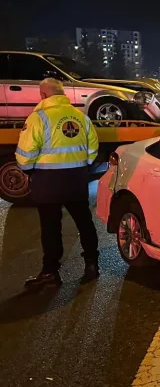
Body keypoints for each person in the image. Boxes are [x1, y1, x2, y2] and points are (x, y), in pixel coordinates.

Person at [16, 78, 100, 287]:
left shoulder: (39, 118)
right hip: (76, 179)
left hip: (48, 182)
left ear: (44, 95)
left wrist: (28, 170)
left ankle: (50, 273)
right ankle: (92, 265)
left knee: (51, 228)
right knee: (84, 222)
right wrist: (81, 167)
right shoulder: (81, 117)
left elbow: (25, 155)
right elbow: (93, 149)